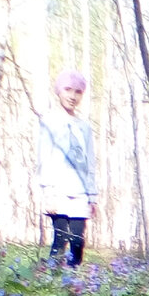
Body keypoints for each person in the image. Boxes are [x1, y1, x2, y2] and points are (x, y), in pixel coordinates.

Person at [37, 69, 97, 266]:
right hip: (58, 191)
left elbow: (90, 162)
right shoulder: (49, 122)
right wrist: (49, 192)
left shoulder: (84, 127)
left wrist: (92, 196)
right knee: (60, 240)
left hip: (80, 193)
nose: (72, 96)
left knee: (78, 241)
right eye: (68, 89)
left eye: (78, 91)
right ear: (59, 91)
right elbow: (44, 157)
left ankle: (73, 286)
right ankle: (53, 287)